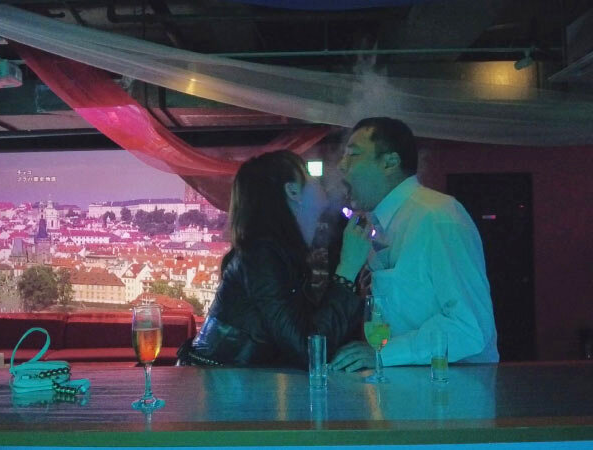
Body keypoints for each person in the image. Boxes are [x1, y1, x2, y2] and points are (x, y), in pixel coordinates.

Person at [330, 117, 499, 372]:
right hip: (412, 388)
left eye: (352, 155)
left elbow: (470, 327)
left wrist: (384, 354)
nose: (341, 166)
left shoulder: (438, 217)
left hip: (455, 388)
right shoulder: (379, 224)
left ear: (390, 162)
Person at [177, 150, 372, 367]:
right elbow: (307, 350)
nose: (319, 181)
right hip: (221, 384)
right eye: (308, 175)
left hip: (230, 380)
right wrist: (347, 269)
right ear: (293, 191)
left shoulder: (272, 251)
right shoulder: (263, 254)